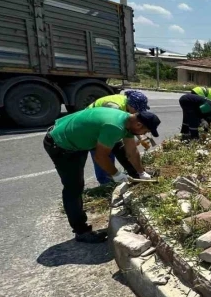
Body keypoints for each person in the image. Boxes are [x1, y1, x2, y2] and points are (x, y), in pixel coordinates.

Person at [43, 108, 161, 243]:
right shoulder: (114, 126)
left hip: (76, 136)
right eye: (145, 131)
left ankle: (137, 178)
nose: (145, 134)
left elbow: (132, 151)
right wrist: (116, 174)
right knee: (74, 187)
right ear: (139, 125)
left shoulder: (127, 121)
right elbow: (100, 157)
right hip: (61, 144)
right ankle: (81, 231)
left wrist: (141, 172)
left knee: (118, 146)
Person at [87, 90, 151, 184]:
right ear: (131, 106)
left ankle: (136, 174)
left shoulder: (128, 103)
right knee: (104, 154)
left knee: (122, 149)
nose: (139, 112)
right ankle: (106, 184)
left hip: (106, 125)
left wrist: (140, 138)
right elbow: (111, 127)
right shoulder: (114, 108)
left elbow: (132, 123)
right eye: (137, 109)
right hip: (92, 127)